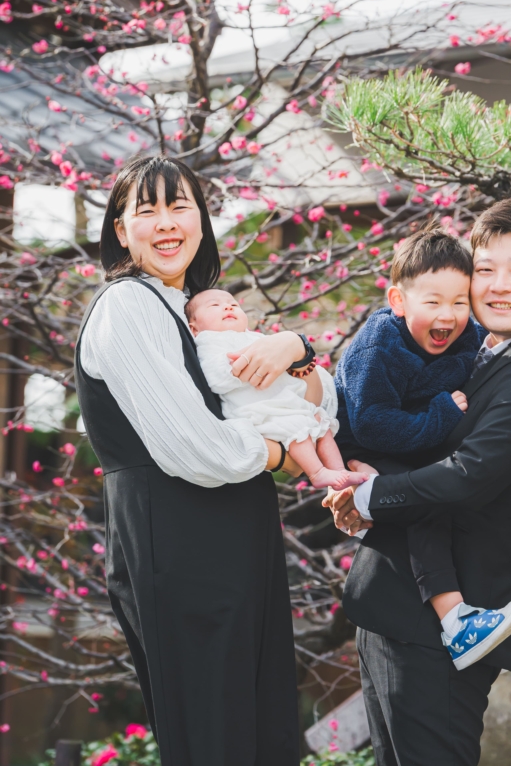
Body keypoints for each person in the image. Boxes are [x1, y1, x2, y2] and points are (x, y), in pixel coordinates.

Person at [75, 154, 329, 766]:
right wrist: (274, 453)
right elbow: (192, 447)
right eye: (147, 210)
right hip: (179, 539)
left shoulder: (195, 311)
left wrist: (295, 345)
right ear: (119, 229)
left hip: (232, 539)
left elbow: (313, 401)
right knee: (216, 733)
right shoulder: (128, 307)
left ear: (202, 219)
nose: (166, 222)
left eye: (180, 206)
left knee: (259, 725)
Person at [327, 198, 511, 766]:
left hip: (447, 629)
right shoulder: (481, 346)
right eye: (486, 269)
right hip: (393, 610)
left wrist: (365, 494)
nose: (498, 286)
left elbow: (467, 479)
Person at [186, 286, 366, 490]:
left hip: (285, 402)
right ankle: (317, 473)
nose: (227, 307)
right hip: (259, 411)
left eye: (233, 304)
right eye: (215, 305)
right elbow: (214, 377)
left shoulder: (254, 337)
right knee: (296, 427)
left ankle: (339, 471)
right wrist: (239, 366)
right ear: (194, 328)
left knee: (319, 421)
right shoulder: (209, 343)